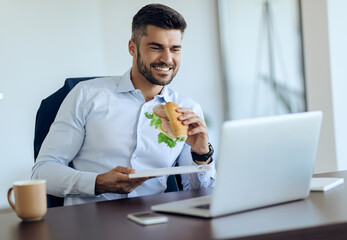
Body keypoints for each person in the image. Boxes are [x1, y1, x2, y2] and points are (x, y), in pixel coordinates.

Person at [32, 3, 216, 206]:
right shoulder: (86, 94)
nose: (167, 59)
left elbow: (199, 194)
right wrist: (98, 183)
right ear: (132, 48)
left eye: (175, 49)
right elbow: (43, 171)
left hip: (156, 220)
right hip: (89, 222)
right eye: (156, 47)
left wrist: (201, 154)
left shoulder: (187, 109)